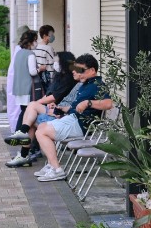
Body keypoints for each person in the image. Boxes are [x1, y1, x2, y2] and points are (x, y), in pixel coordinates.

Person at [33, 53, 113, 182]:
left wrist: (89, 102)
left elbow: (109, 104)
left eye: (81, 70)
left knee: (41, 132)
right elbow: (76, 107)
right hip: (73, 119)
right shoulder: (86, 84)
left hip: (80, 125)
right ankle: (51, 166)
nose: (77, 73)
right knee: (41, 126)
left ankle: (57, 170)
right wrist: (60, 108)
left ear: (92, 71)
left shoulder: (98, 85)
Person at [4, 51, 77, 166]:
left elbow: (54, 96)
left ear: (63, 62)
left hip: (61, 114)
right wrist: (39, 103)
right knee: (32, 115)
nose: (55, 64)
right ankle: (23, 153)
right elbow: (49, 95)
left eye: (57, 61)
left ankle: (23, 146)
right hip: (55, 109)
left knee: (32, 108)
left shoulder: (69, 79)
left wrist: (37, 103)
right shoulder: (59, 76)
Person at [5, 30, 40, 167]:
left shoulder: (18, 53)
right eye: (36, 40)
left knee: (24, 112)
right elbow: (32, 71)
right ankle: (21, 132)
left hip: (18, 88)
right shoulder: (30, 54)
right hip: (28, 88)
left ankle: (20, 135)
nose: (37, 42)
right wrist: (40, 69)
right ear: (32, 41)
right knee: (28, 115)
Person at [5, 25, 31, 132]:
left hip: (16, 84)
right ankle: (18, 132)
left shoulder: (18, 50)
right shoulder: (23, 51)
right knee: (22, 110)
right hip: (22, 85)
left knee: (19, 109)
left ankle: (17, 131)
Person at [34, 25, 57, 90]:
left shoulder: (36, 46)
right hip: (48, 79)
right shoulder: (48, 48)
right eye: (51, 34)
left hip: (38, 77)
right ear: (44, 36)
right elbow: (52, 65)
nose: (53, 36)